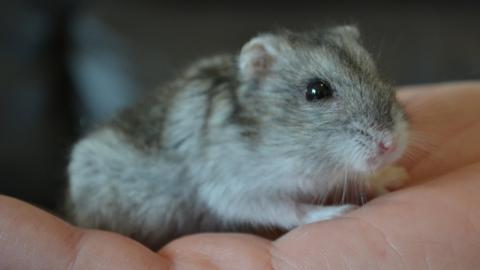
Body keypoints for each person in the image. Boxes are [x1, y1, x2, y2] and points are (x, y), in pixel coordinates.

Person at [1, 82, 479, 270]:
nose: (384, 135)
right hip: (128, 189)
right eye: (317, 92)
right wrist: (305, 214)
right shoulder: (242, 128)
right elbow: (229, 195)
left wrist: (368, 180)